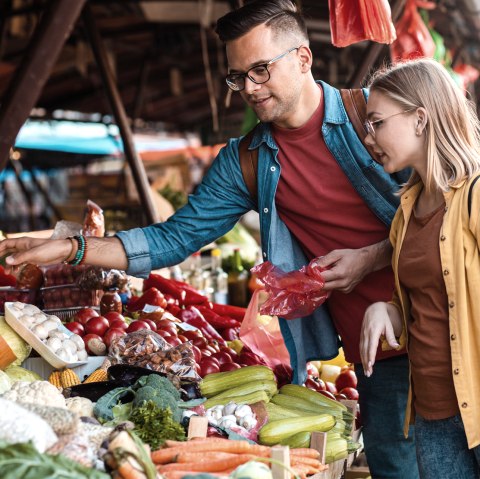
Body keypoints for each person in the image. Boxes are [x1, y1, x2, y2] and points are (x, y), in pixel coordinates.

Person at [0, 2, 418, 476]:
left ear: (304, 58)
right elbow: (173, 239)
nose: (250, 89)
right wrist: (73, 248)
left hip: (443, 330)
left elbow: (451, 212)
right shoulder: (246, 161)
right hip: (374, 354)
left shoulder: (375, 118)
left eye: (261, 70)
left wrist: (372, 257)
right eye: (238, 77)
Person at [360, 57, 480, 478]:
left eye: (376, 122)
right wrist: (385, 310)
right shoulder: (407, 211)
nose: (369, 138)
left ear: (420, 118)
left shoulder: (476, 196)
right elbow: (421, 298)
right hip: (432, 414)